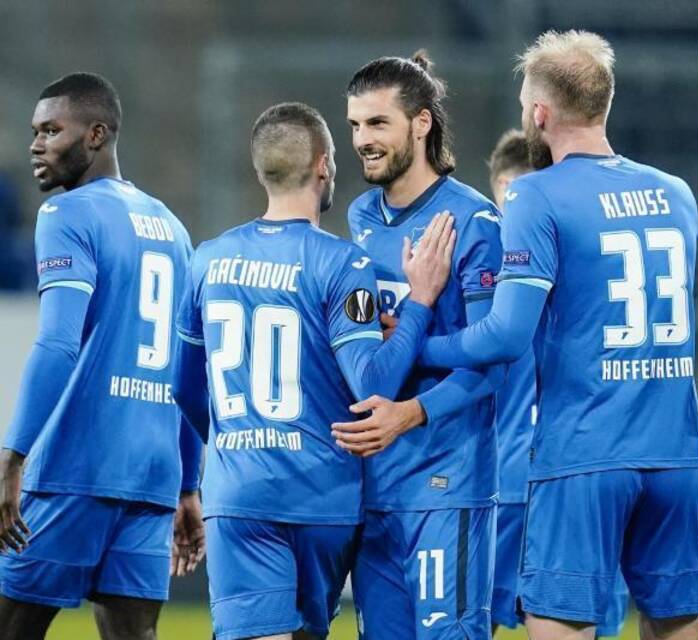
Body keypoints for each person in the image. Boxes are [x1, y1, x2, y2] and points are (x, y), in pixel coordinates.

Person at [418, 31, 698, 640]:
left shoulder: (536, 194)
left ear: (541, 113)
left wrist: (422, 342)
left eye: (527, 101)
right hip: (677, 453)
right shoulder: (676, 195)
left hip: (584, 452)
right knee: (679, 624)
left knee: (560, 625)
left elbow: (504, 334)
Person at [171, 102, 455, 640]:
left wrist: (237, 440)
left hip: (243, 495)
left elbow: (184, 385)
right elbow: (372, 383)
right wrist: (419, 303)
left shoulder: (207, 259)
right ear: (324, 166)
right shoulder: (342, 263)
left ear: (261, 171)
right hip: (324, 498)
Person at [0, 72, 203, 640]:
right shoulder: (173, 228)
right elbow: (190, 368)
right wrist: (188, 484)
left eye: (50, 130)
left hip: (75, 470)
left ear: (95, 135)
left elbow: (59, 343)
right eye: (33, 132)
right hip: (152, 478)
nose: (36, 145)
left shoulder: (66, 216)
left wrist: (12, 457)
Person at [337, 52, 504, 638]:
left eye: (378, 123)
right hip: (373, 485)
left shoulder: (472, 222)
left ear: (422, 123)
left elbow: (493, 366)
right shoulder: (360, 216)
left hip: (445, 480)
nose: (362, 140)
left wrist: (409, 415)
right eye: (355, 125)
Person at [486, 129, 629, 638]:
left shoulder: (575, 272)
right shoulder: (482, 276)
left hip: (566, 476)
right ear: (507, 187)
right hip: (510, 484)